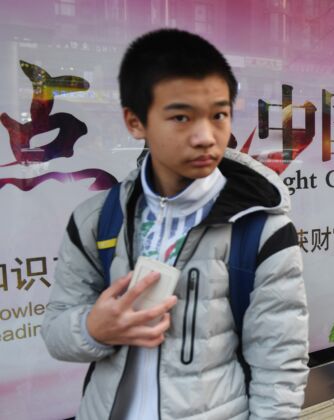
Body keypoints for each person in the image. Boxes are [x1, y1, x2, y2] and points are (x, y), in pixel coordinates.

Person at [41, 29, 309, 419]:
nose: (206, 137)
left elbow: (279, 365)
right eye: (181, 117)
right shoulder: (97, 219)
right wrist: (93, 329)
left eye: (219, 115)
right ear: (136, 122)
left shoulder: (260, 228)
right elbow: (55, 333)